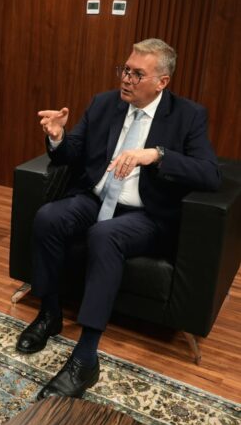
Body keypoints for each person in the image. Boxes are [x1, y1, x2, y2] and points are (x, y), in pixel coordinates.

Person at [15, 39, 220, 400]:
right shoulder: (104, 103)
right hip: (94, 198)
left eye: (137, 74)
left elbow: (210, 174)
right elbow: (71, 153)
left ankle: (85, 357)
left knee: (104, 236)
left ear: (162, 81)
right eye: (125, 70)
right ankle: (49, 313)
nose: (126, 79)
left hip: (145, 214)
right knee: (48, 217)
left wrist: (156, 155)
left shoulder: (188, 116)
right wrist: (58, 137)